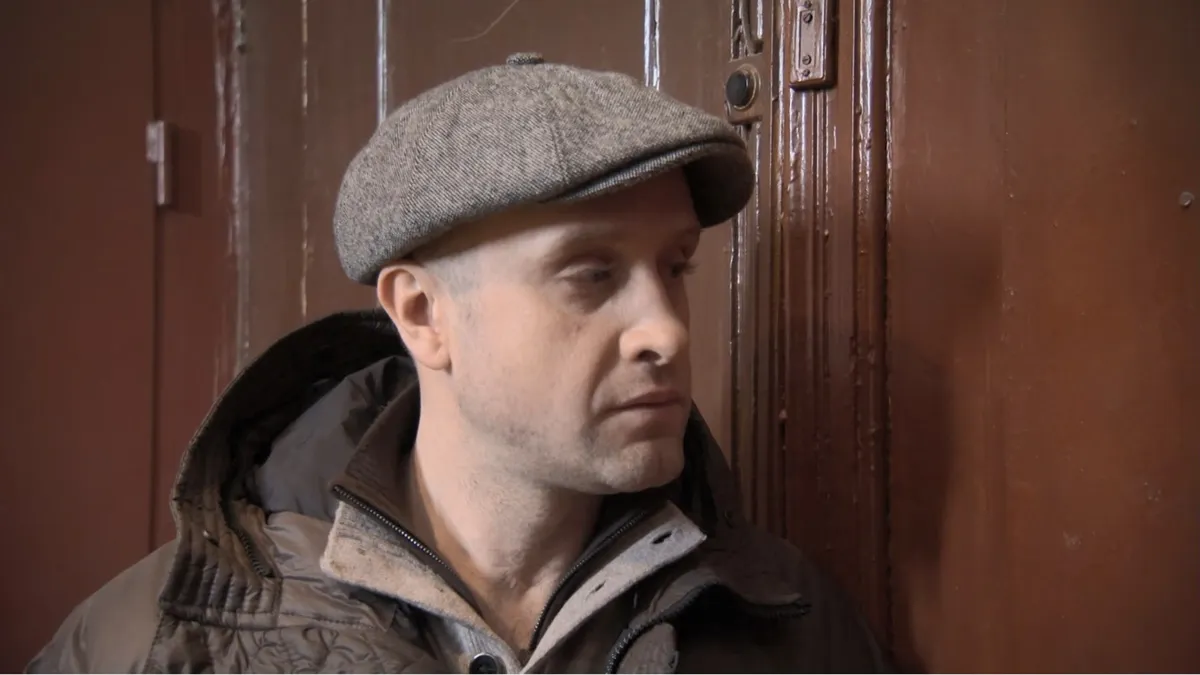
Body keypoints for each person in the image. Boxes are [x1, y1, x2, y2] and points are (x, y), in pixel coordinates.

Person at [30, 53, 887, 674]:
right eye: (591, 275)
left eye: (675, 267)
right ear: (422, 313)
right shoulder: (158, 641)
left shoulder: (791, 625)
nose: (665, 329)